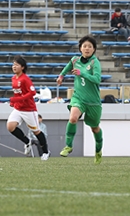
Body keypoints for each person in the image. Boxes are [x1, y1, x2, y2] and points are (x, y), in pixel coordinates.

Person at [57, 35, 104, 164]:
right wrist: (61, 77)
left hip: (93, 102)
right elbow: (66, 69)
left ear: (94, 49)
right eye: (84, 46)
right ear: (80, 48)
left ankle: (98, 150)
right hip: (79, 98)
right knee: (73, 118)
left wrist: (82, 73)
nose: (87, 48)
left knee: (95, 128)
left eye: (90, 46)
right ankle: (68, 146)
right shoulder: (75, 60)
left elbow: (97, 79)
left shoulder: (95, 62)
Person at [6, 56, 50, 160]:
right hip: (18, 108)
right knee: (10, 127)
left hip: (29, 109)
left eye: (16, 65)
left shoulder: (25, 79)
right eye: (13, 64)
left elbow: (32, 92)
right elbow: (18, 94)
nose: (14, 66)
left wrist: (18, 99)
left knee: (36, 131)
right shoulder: (13, 78)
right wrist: (14, 102)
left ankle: (46, 151)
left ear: (22, 67)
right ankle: (27, 142)